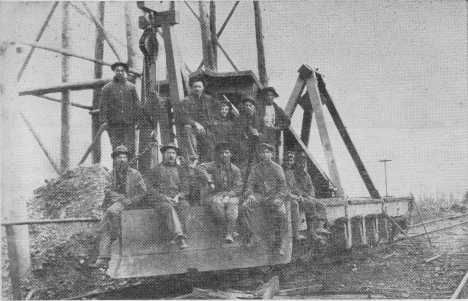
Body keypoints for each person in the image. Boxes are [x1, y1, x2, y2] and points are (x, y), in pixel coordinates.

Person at [90, 145, 147, 269]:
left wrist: (131, 200)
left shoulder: (135, 174)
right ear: (115, 160)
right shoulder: (110, 174)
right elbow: (108, 191)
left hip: (131, 204)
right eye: (119, 157)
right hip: (118, 202)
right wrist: (122, 199)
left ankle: (115, 235)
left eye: (124, 157)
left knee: (112, 212)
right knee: (104, 225)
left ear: (128, 159)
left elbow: (143, 192)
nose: (121, 160)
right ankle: (103, 258)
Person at [240, 143, 288, 255]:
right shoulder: (255, 168)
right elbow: (249, 184)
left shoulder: (277, 168)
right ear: (259, 155)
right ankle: (253, 235)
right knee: (245, 206)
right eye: (262, 152)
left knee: (281, 213)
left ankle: (278, 246)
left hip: (274, 196)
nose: (265, 155)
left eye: (267, 152)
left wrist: (278, 198)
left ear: (271, 154)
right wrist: (250, 194)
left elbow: (283, 187)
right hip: (260, 195)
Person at [196, 142, 242, 243]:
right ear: (218, 154)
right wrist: (209, 180)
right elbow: (199, 168)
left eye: (226, 152)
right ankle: (230, 229)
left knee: (233, 203)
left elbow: (238, 188)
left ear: (230, 154)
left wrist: (228, 196)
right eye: (221, 153)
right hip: (216, 194)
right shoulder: (213, 165)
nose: (224, 155)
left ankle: (229, 234)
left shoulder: (235, 170)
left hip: (231, 194)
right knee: (216, 203)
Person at [147, 143, 190, 249]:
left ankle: (182, 234)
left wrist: (178, 196)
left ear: (176, 155)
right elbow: (150, 189)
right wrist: (164, 197)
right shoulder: (156, 170)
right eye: (168, 153)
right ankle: (179, 237)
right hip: (161, 201)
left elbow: (186, 188)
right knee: (168, 208)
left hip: (177, 199)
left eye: (173, 153)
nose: (171, 155)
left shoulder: (181, 170)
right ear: (163, 154)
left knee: (184, 205)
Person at [99, 62, 141, 156]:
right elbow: (103, 106)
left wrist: (138, 120)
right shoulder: (107, 88)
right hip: (114, 125)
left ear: (125, 72)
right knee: (116, 150)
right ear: (114, 72)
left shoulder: (131, 87)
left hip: (128, 124)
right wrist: (103, 121)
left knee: (130, 149)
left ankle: (131, 170)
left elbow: (136, 105)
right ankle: (116, 170)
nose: (120, 73)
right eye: (117, 70)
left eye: (122, 71)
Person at [176, 77, 219, 163]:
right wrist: (196, 124)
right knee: (187, 127)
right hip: (194, 129)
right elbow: (183, 117)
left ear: (203, 87)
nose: (197, 89)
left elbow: (218, 111)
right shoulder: (186, 101)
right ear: (191, 88)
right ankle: (194, 157)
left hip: (208, 128)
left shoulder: (209, 99)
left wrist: (211, 122)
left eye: (199, 86)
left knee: (211, 148)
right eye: (195, 87)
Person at [294, 152, 331, 243]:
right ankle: (311, 229)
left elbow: (310, 187)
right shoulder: (293, 174)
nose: (302, 165)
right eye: (300, 163)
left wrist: (312, 196)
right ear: (296, 163)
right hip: (299, 197)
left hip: (307, 197)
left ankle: (319, 227)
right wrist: (306, 196)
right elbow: (294, 187)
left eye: (303, 163)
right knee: (310, 203)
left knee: (321, 204)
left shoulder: (306, 175)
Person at [232, 97, 264, 173]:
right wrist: (239, 144)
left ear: (254, 107)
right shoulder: (238, 119)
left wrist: (258, 134)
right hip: (242, 149)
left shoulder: (260, 120)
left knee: (254, 170)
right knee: (242, 170)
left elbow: (265, 134)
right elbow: (233, 134)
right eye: (246, 105)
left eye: (250, 105)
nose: (248, 107)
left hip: (255, 148)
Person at [282, 151, 307, 241]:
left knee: (303, 202)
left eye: (291, 160)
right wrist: (292, 196)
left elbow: (294, 186)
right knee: (294, 203)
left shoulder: (290, 172)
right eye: (287, 160)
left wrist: (299, 194)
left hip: (289, 195)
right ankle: (295, 233)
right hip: (282, 196)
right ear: (284, 160)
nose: (289, 162)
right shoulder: (280, 170)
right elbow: (282, 187)